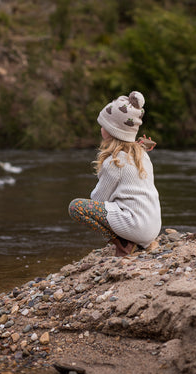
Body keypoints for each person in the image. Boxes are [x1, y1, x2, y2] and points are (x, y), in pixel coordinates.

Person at [68, 91, 161, 256]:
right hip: (153, 226)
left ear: (113, 130)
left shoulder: (114, 161)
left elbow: (98, 199)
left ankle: (124, 244)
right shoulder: (142, 154)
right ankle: (134, 241)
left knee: (76, 207)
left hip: (136, 227)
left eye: (104, 124)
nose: (101, 127)